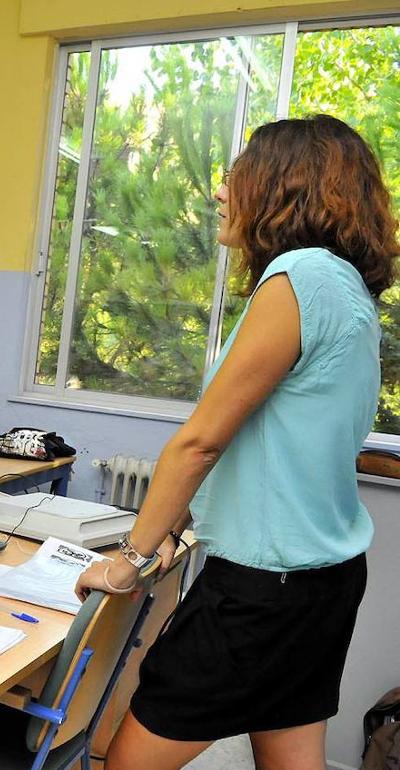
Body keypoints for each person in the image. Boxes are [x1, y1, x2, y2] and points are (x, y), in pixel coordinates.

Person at [75, 115, 396, 770]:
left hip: (262, 590)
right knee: (291, 757)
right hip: (324, 580)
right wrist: (173, 532)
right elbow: (268, 442)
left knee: (126, 762)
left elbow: (201, 443)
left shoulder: (299, 276)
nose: (221, 192)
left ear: (284, 186)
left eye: (236, 175)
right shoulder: (351, 293)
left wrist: (128, 559)